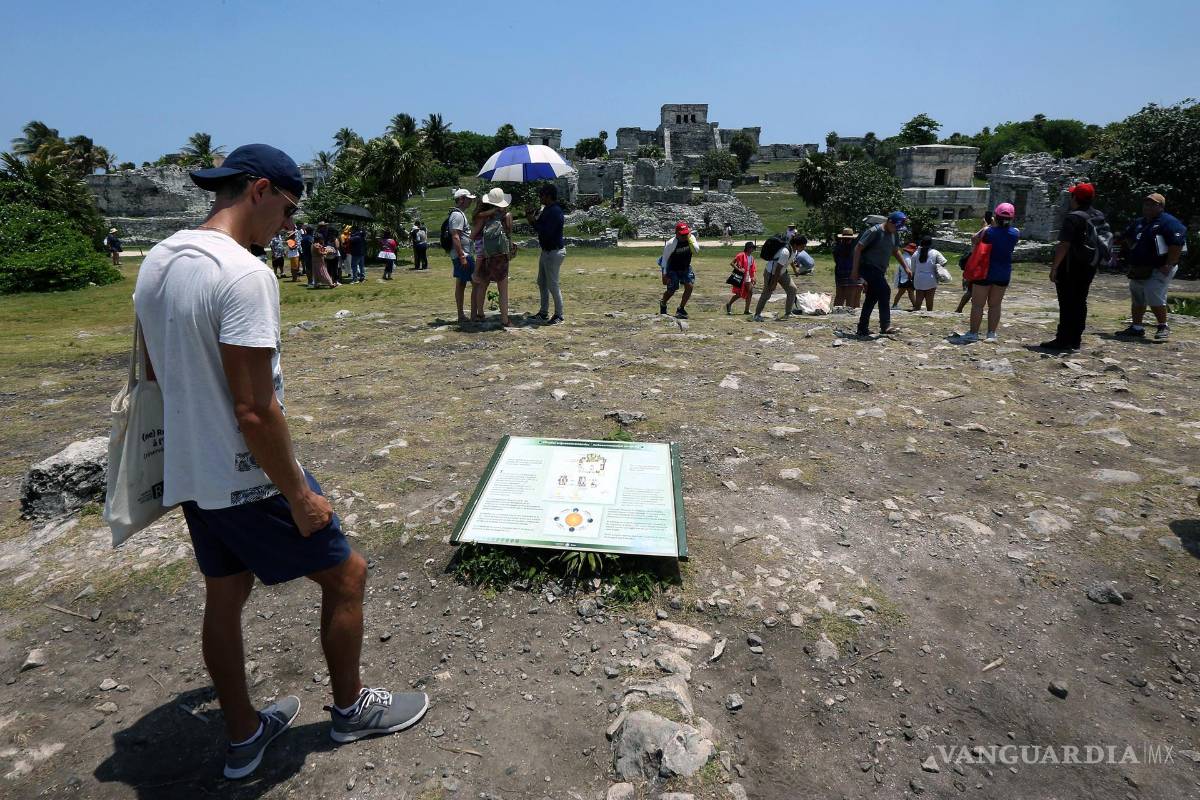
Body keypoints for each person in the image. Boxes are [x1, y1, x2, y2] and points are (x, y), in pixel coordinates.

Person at [133, 144, 427, 780]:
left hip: (191, 468)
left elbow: (155, 372)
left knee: (225, 594)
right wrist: (298, 493)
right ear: (260, 190)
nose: (288, 225)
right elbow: (254, 409)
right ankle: (350, 709)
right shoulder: (243, 274)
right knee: (347, 574)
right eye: (288, 209)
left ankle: (243, 736)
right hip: (245, 474)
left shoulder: (159, 260)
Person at [1041, 183, 1107, 351]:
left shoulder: (1073, 217)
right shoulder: (1098, 215)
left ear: (1075, 198)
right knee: (1080, 301)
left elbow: (1064, 244)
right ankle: (1075, 338)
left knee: (1067, 303)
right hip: (1089, 265)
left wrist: (1054, 268)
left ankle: (1063, 339)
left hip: (1071, 267)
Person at [1114, 191, 1187, 342]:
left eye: (1152, 204)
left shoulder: (1169, 222)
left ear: (1161, 206)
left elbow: (1177, 244)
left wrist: (1169, 264)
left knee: (1153, 295)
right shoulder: (1140, 222)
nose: (1147, 207)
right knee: (1138, 296)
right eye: (1146, 204)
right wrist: (1134, 250)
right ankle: (1137, 328)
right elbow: (1127, 236)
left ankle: (1163, 326)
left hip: (1160, 267)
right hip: (1140, 268)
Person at [956, 203, 1019, 343]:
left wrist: (986, 226)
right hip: (1003, 272)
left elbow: (974, 239)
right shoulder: (1015, 233)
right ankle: (991, 333)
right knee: (995, 305)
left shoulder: (987, 231)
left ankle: (973, 333)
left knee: (978, 304)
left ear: (995, 216)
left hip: (983, 271)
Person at [850, 211, 909, 337]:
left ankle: (862, 328)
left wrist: (906, 267)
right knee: (885, 291)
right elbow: (858, 248)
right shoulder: (874, 231)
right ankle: (885, 325)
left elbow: (895, 251)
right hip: (868, 267)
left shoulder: (894, 233)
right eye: (895, 227)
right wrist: (855, 270)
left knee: (872, 297)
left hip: (879, 270)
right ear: (889, 221)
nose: (896, 230)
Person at [471, 187, 514, 326]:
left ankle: (480, 314)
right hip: (501, 255)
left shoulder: (484, 216)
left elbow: (474, 233)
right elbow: (509, 233)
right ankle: (505, 319)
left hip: (486, 255)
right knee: (503, 289)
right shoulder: (507, 216)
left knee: (483, 285)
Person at [528, 183, 566, 323]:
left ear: (548, 196)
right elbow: (540, 227)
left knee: (552, 285)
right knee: (542, 282)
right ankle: (543, 312)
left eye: (541, 195)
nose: (540, 198)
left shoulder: (555, 211)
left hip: (553, 251)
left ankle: (559, 314)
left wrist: (533, 221)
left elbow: (546, 231)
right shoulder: (548, 210)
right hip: (546, 251)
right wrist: (532, 218)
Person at [753, 234, 803, 321]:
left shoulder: (793, 250)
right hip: (771, 273)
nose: (804, 248)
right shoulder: (785, 252)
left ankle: (788, 313)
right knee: (767, 294)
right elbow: (777, 268)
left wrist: (795, 269)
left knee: (792, 289)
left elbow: (790, 259)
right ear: (796, 245)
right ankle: (757, 315)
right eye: (802, 246)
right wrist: (774, 283)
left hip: (782, 272)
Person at [447, 188, 477, 324]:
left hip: (462, 254)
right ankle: (474, 314)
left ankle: (462, 315)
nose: (470, 201)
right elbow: (455, 236)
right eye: (468, 199)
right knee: (476, 282)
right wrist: (462, 256)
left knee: (461, 283)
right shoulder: (457, 215)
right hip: (463, 254)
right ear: (461, 199)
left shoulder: (458, 214)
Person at [659, 221, 699, 319]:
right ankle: (663, 303)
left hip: (685, 267)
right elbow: (664, 260)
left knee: (689, 286)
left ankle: (681, 309)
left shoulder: (691, 238)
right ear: (676, 233)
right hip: (673, 268)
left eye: (686, 234)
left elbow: (696, 250)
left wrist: (690, 239)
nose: (684, 236)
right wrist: (664, 275)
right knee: (672, 290)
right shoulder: (671, 243)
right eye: (682, 234)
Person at [956, 210, 993, 313]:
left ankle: (962, 309)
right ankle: (963, 309)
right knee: (973, 290)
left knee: (972, 290)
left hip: (976, 265)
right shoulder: (986, 233)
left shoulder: (981, 233)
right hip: (980, 266)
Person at [910, 236, 947, 311]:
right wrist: (937, 266)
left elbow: (913, 269)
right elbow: (944, 262)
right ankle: (929, 312)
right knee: (930, 299)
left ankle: (917, 310)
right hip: (931, 279)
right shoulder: (935, 252)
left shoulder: (915, 254)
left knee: (919, 298)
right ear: (930, 243)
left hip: (918, 278)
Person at [832, 228, 863, 309]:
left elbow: (836, 261)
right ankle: (852, 312)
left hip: (840, 274)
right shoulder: (855, 248)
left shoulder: (837, 248)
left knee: (840, 296)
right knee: (853, 298)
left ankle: (837, 311)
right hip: (853, 274)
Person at [725, 241, 757, 315]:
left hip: (748, 276)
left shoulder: (752, 258)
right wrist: (738, 269)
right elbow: (732, 263)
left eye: (753, 248)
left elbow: (753, 268)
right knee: (739, 294)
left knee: (750, 292)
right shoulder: (741, 255)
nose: (753, 249)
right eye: (752, 248)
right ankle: (729, 304)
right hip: (741, 277)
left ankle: (746, 310)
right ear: (748, 248)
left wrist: (753, 277)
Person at [891, 243, 917, 308]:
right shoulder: (908, 259)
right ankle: (894, 305)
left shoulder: (904, 257)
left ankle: (915, 305)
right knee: (907, 292)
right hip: (907, 278)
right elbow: (910, 269)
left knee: (907, 292)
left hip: (904, 278)